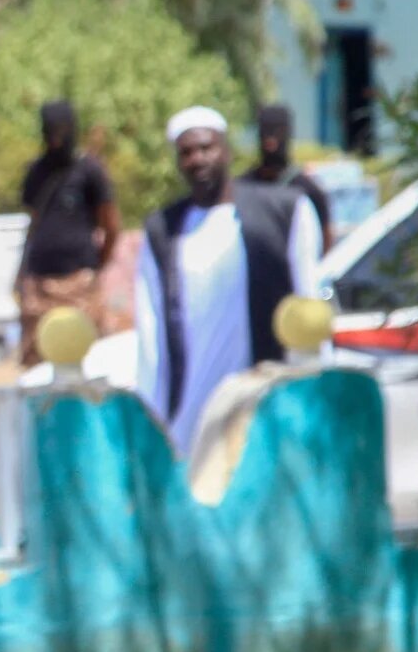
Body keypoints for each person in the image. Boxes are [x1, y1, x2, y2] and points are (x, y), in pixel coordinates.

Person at [135, 106, 323, 453]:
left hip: (265, 402)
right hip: (191, 412)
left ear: (226, 150)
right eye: (186, 152)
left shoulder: (284, 212)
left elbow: (307, 305)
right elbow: (151, 333)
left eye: (206, 148)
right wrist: (153, 417)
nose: (197, 159)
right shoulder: (164, 230)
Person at [16, 99, 120, 365]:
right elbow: (34, 223)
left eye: (62, 131)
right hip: (39, 283)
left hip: (79, 283)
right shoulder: (36, 172)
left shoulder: (89, 170)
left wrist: (96, 266)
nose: (56, 139)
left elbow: (110, 225)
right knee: (37, 359)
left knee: (86, 358)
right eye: (51, 131)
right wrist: (21, 275)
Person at [244, 103, 333, 253]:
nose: (270, 142)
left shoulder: (309, 190)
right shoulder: (243, 187)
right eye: (266, 131)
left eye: (277, 132)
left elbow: (325, 246)